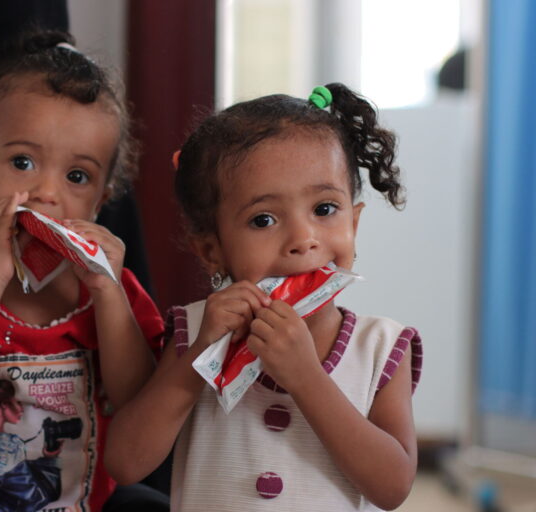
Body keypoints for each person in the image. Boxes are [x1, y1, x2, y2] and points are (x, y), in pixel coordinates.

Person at [104, 84, 424, 511]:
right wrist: (201, 355)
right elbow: (125, 464)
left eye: (325, 209)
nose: (303, 239)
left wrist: (306, 377)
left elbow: (393, 487)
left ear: (355, 222)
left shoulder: (380, 348)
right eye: (264, 219)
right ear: (211, 251)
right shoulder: (192, 333)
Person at [0, 29, 165, 512]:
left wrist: (107, 291)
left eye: (76, 176)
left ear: (100, 201)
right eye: (22, 162)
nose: (46, 192)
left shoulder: (115, 292)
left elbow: (138, 400)